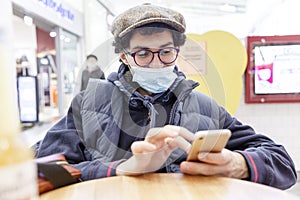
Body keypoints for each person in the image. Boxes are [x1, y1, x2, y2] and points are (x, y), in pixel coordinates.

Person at [35, 4, 297, 189]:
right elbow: (45, 171)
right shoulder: (90, 104)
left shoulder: (204, 107)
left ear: (177, 52)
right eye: (143, 53)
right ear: (124, 56)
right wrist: (124, 168)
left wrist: (237, 164)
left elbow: (283, 163)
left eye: (165, 52)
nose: (156, 63)